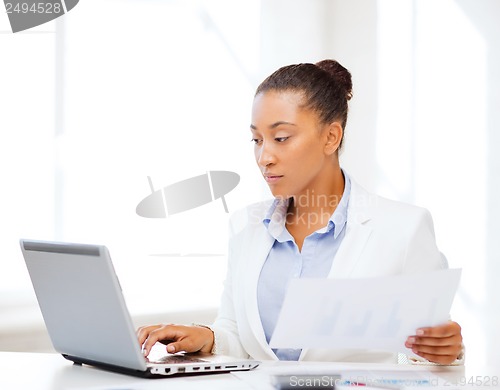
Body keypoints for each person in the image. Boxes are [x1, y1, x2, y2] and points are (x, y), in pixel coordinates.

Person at [137, 60, 463, 365]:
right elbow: (238, 335)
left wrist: (444, 352)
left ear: (331, 137)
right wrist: (207, 337)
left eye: (281, 138)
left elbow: (422, 355)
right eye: (256, 139)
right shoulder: (245, 226)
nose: (264, 157)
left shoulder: (403, 229)